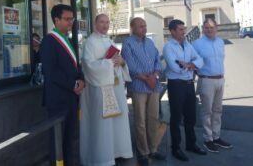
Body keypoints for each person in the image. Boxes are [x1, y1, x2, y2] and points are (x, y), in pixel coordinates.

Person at [80, 14, 133, 166]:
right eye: (102, 22)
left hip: (115, 87)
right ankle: (103, 157)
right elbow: (89, 66)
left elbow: (117, 61)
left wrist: (122, 62)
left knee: (117, 119)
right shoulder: (90, 42)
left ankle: (117, 151)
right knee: (102, 123)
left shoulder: (108, 40)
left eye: (107, 22)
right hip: (100, 89)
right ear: (95, 23)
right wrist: (110, 63)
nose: (105, 25)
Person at [40, 4, 84, 166]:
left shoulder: (68, 39)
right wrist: (73, 84)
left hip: (72, 98)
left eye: (71, 19)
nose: (70, 22)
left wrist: (81, 80)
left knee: (70, 140)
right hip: (58, 100)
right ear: (56, 20)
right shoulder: (49, 41)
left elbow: (75, 65)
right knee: (57, 143)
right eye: (66, 19)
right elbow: (50, 71)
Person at [121, 17, 166, 166]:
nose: (144, 29)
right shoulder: (128, 43)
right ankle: (143, 152)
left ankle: (153, 148)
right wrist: (147, 79)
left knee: (153, 118)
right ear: (132, 28)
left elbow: (157, 62)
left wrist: (155, 75)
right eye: (140, 26)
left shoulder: (150, 43)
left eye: (145, 26)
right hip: (138, 87)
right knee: (140, 121)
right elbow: (130, 66)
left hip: (153, 86)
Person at [163, 19, 207, 161]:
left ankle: (191, 144)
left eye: (184, 29)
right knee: (176, 118)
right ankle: (176, 148)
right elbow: (175, 67)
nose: (184, 32)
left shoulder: (188, 44)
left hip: (189, 84)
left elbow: (200, 60)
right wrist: (192, 66)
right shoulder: (168, 47)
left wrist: (188, 65)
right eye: (181, 29)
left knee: (190, 117)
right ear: (173, 31)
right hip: (176, 85)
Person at [193, 18, 232, 152]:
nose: (209, 30)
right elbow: (193, 61)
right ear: (203, 29)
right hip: (207, 80)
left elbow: (221, 59)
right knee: (207, 111)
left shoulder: (220, 42)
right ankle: (208, 139)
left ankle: (216, 136)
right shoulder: (197, 44)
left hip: (220, 80)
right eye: (206, 28)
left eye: (211, 27)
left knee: (217, 110)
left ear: (216, 28)